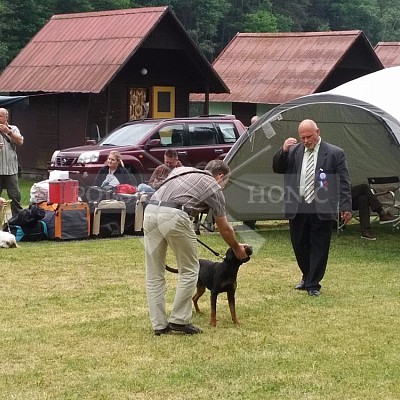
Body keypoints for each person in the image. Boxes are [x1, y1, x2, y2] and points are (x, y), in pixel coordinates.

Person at [144, 160, 248, 336]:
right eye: (225, 183)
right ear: (220, 176)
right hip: (176, 214)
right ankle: (179, 320)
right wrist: (237, 248)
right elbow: (224, 227)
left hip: (150, 211)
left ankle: (159, 325)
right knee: (191, 269)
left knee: (154, 273)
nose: (223, 187)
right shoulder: (214, 187)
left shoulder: (181, 170)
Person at [272, 119, 352, 297]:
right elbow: (278, 168)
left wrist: (346, 206)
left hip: (322, 206)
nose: (306, 141)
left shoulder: (334, 153)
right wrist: (283, 151)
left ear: (318, 132)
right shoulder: (293, 151)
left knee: (319, 245)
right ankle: (307, 275)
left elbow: (344, 182)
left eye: (309, 136)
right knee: (299, 244)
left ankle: (313, 284)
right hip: (298, 205)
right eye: (303, 138)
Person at [0, 108, 24, 216]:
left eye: (0, 116)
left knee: (15, 198)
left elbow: (20, 141)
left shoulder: (13, 128)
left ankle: (17, 224)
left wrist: (8, 132)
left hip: (11, 170)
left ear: (6, 117)